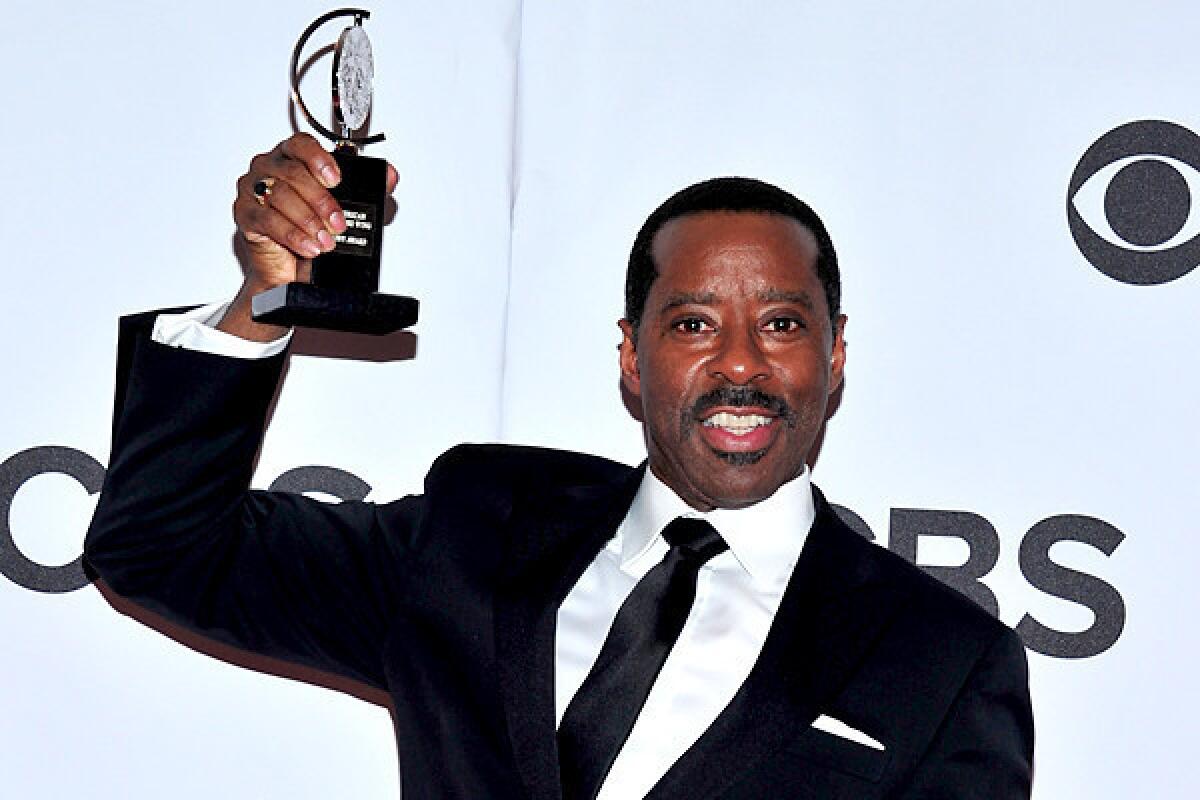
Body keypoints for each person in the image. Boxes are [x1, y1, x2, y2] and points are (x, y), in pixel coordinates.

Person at [85, 133, 1034, 799]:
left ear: (833, 358)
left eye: (782, 324)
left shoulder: (942, 658)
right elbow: (160, 547)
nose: (741, 363)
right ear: (631, 354)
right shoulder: (474, 536)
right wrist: (262, 297)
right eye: (694, 323)